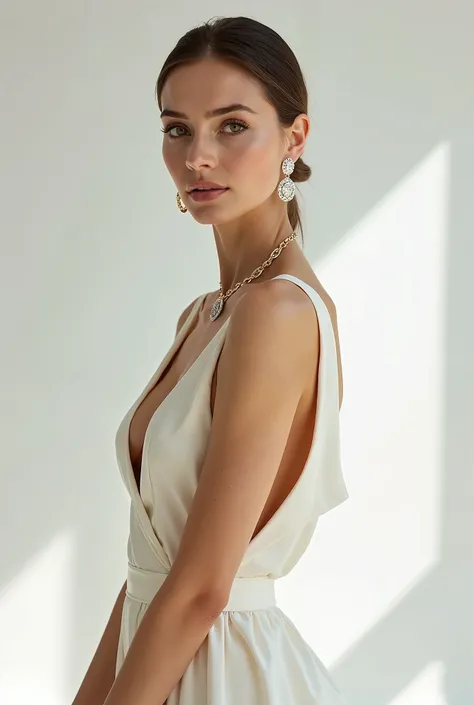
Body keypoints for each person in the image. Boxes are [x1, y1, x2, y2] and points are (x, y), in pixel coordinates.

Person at [72, 15, 349, 705]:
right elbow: (154, 568)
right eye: (177, 129)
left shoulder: (276, 313)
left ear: (294, 137)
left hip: (224, 676)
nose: (199, 155)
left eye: (231, 125)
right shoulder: (206, 314)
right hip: (161, 660)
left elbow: (200, 589)